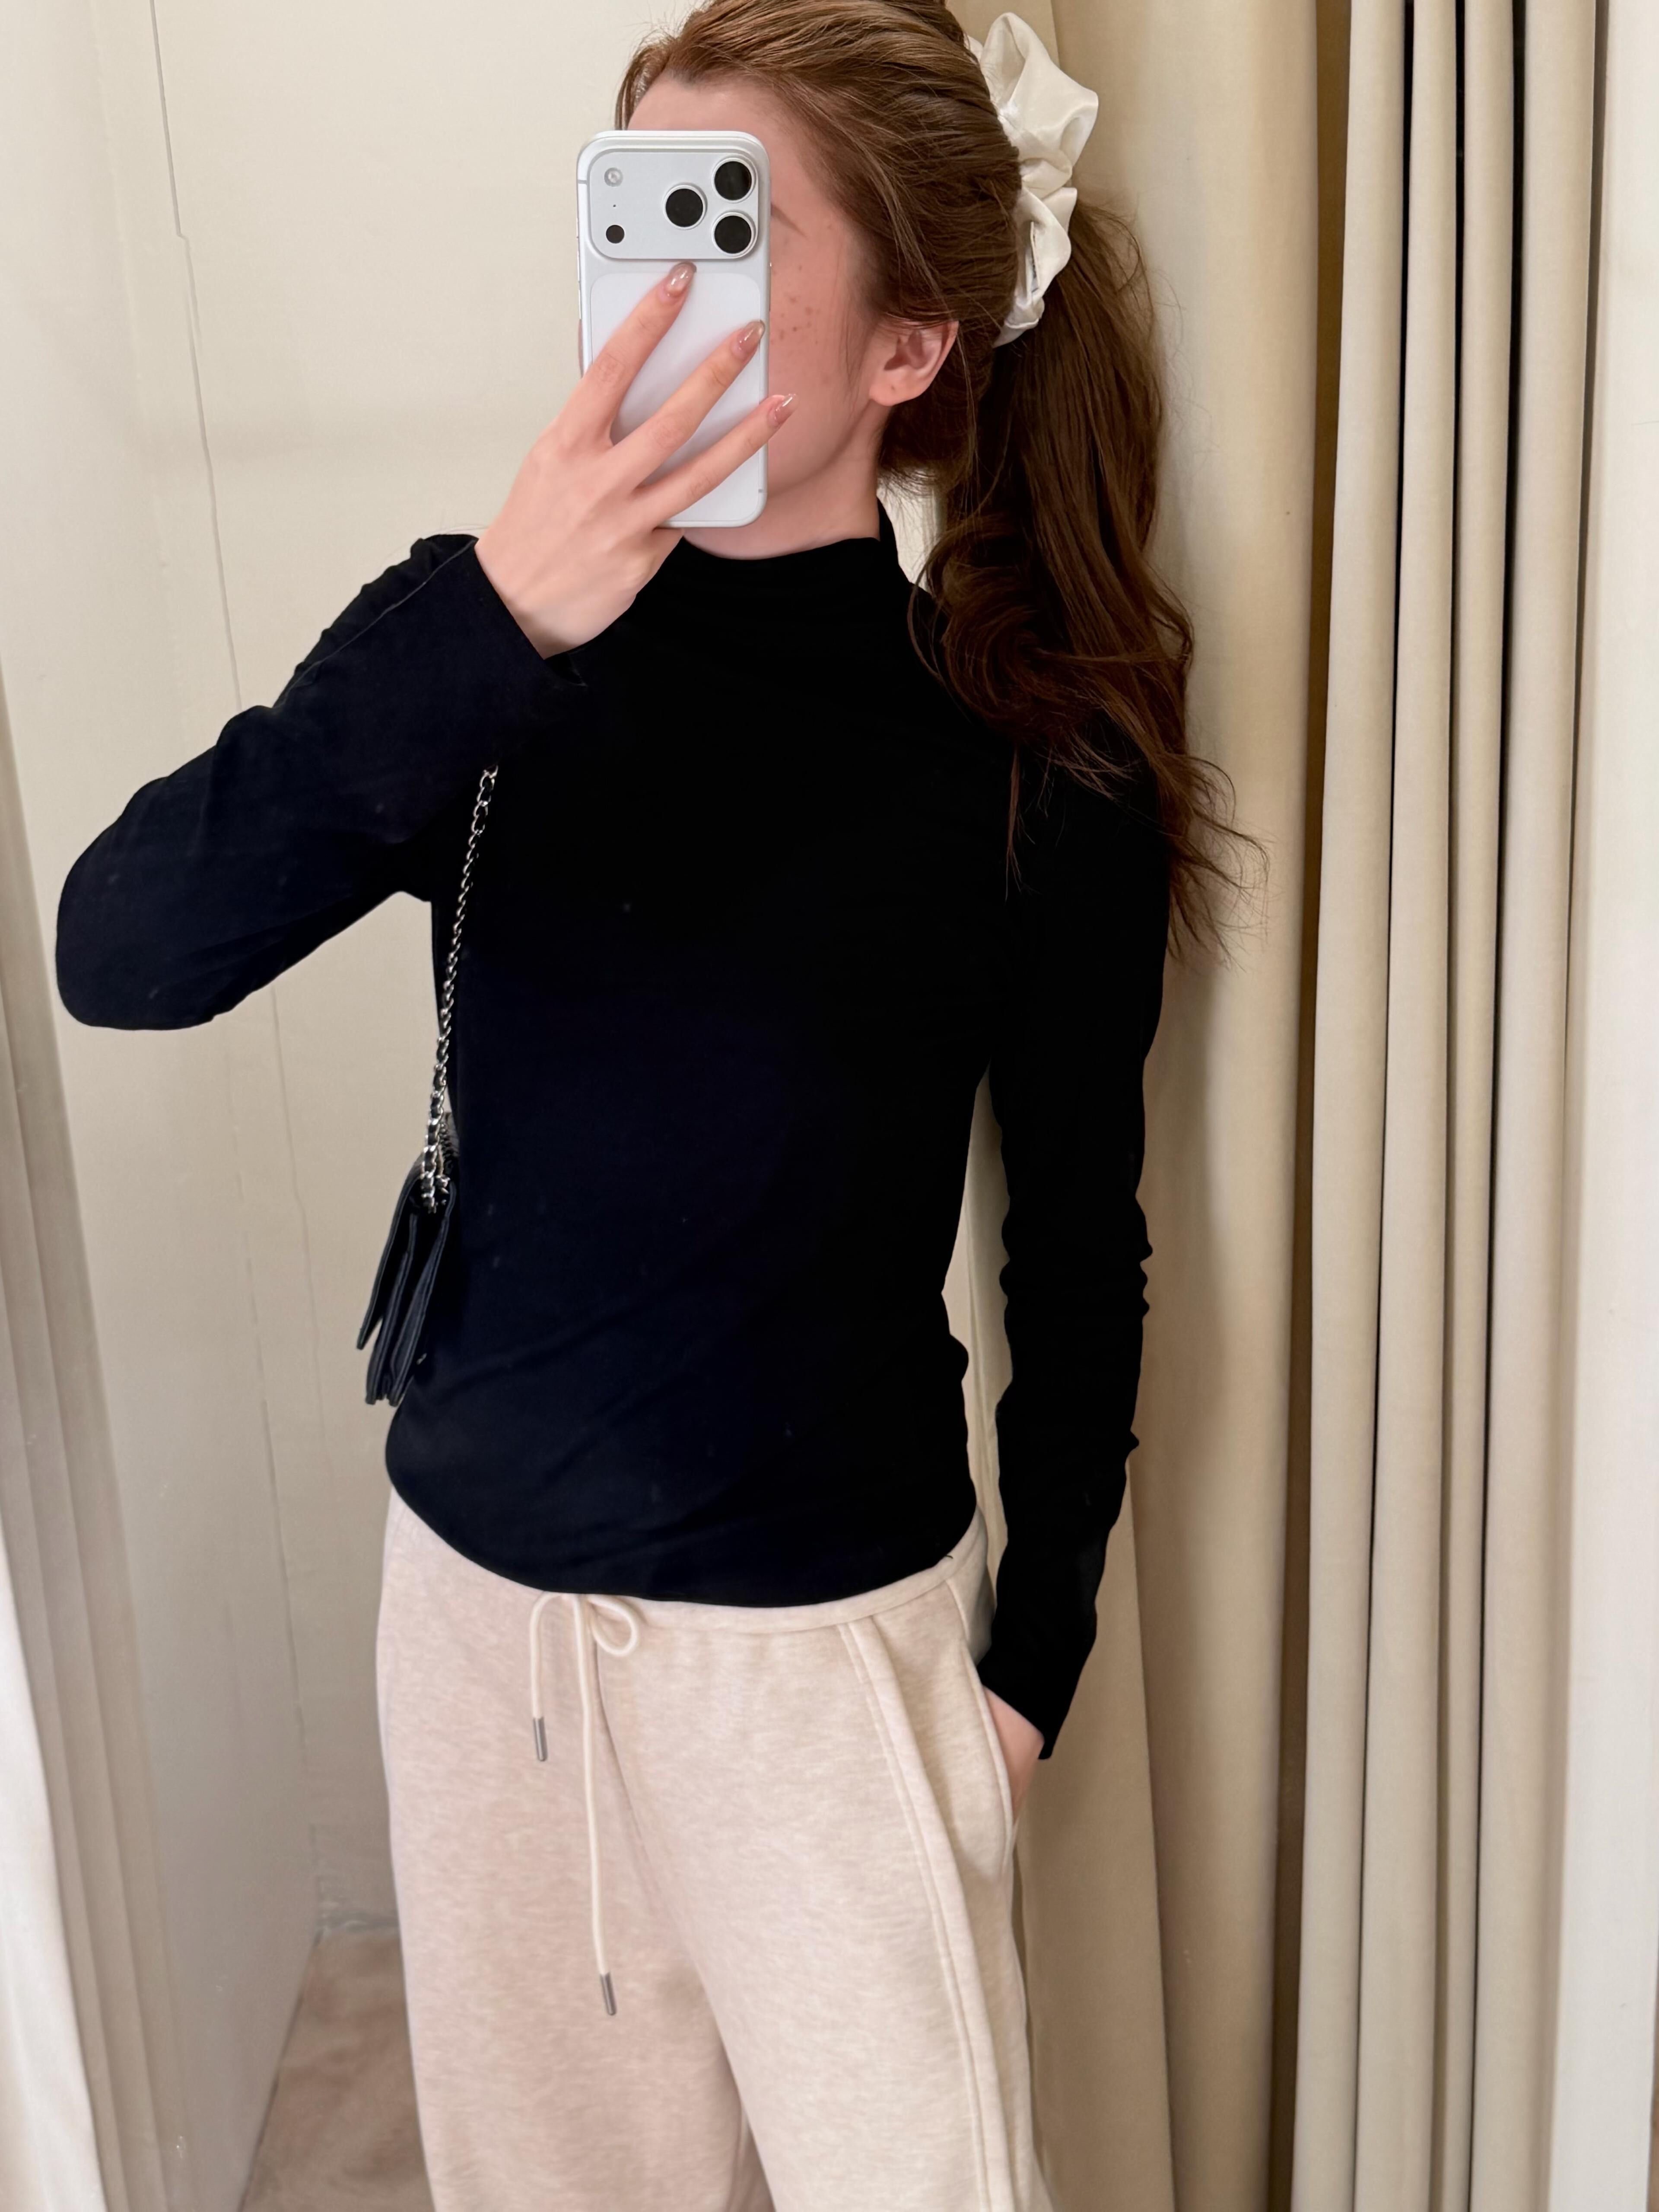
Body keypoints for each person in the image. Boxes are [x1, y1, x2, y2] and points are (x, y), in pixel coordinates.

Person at [55, 3, 1244, 2205]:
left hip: (826, 1664)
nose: (651, 288)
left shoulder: (1020, 767)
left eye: (727, 228)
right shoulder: (472, 650)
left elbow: (1084, 1251)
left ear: (909, 343)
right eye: (632, 219)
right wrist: (494, 616)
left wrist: (1026, 1675)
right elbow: (118, 951)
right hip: (482, 1643)